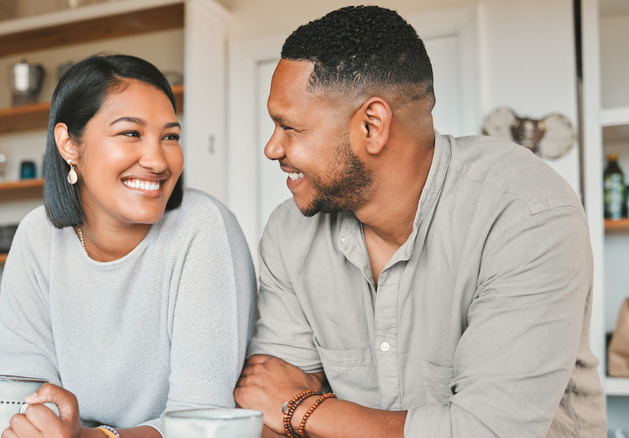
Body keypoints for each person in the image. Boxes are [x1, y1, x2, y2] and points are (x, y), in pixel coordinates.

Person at [233, 5, 606, 437]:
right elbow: (265, 406)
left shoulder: (526, 213)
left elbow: (487, 432)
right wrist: (289, 409)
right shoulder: (289, 230)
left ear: (372, 125)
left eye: (290, 127)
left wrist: (302, 410)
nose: (272, 148)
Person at [0, 54, 256, 438]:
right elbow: (29, 402)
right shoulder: (37, 236)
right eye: (131, 133)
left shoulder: (201, 226)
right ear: (68, 144)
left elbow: (201, 422)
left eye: (170, 137)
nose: (158, 161)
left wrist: (89, 437)